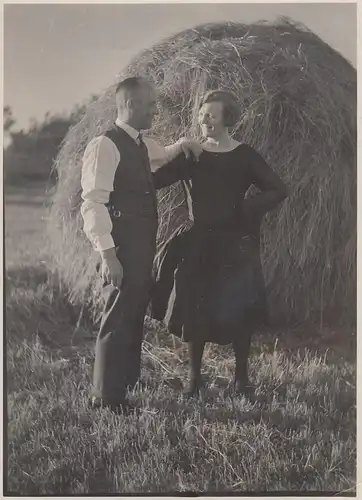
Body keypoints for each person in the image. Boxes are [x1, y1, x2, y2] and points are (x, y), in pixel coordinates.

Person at [151, 90, 288, 398]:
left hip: (234, 244)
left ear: (228, 119)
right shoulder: (192, 154)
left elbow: (278, 189)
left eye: (212, 115)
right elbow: (156, 180)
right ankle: (194, 380)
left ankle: (241, 379)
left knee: (238, 309)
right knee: (194, 309)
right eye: (202, 115)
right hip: (197, 241)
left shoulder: (244, 155)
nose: (205, 120)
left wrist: (247, 209)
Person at [80, 76, 203, 414]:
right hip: (119, 246)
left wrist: (185, 144)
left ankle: (124, 385)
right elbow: (92, 202)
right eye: (150, 105)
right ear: (132, 105)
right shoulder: (105, 145)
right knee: (117, 316)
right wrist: (108, 255)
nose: (155, 111)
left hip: (140, 244)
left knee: (133, 314)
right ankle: (105, 398)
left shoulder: (139, 144)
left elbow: (163, 155)